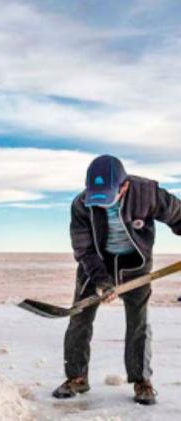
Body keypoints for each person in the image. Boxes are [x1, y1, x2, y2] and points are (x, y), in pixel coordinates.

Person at [53, 154, 181, 406]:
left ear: (124, 187)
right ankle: (77, 377)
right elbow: (83, 249)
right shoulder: (80, 204)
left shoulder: (148, 193)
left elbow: (179, 216)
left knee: (138, 323)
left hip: (136, 266)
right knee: (79, 318)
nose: (100, 205)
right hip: (95, 265)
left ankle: (142, 380)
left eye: (107, 197)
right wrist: (100, 280)